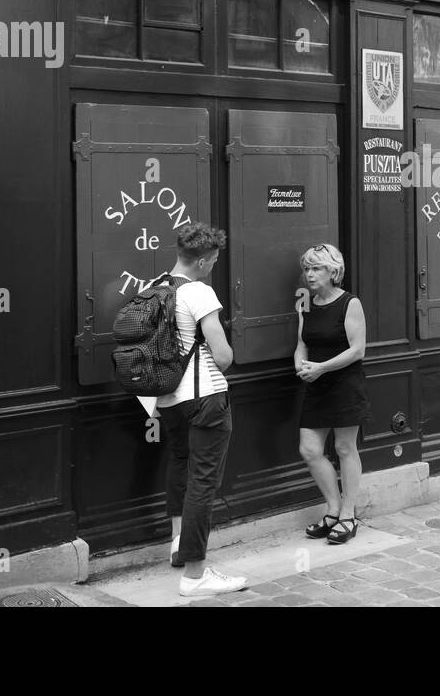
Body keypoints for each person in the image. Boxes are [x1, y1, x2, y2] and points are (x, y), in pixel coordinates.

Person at [155, 222, 247, 597]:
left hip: (168, 399)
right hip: (205, 398)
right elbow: (223, 356)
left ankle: (179, 545)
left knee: (180, 465)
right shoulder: (200, 292)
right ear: (206, 261)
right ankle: (195, 576)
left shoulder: (157, 287)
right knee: (203, 482)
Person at [295, 243, 370, 545]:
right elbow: (301, 342)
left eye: (317, 269)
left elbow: (358, 350)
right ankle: (333, 508)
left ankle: (348, 515)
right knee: (310, 450)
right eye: (307, 269)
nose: (309, 275)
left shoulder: (350, 303)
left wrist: (322, 367)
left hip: (344, 383)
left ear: (333, 271)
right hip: (316, 383)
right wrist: (300, 365)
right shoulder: (307, 304)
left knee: (344, 448)